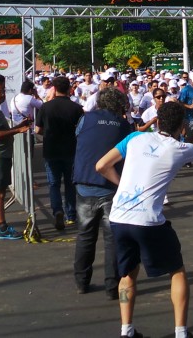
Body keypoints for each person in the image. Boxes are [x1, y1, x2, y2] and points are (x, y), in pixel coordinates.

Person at [96, 102, 193, 338]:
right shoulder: (180, 148)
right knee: (177, 271)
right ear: (182, 127)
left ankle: (126, 331)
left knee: (127, 275)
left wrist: (125, 187)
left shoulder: (134, 138)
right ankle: (181, 333)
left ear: (158, 121)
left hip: (119, 217)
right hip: (148, 221)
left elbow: (101, 165)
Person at [73, 87, 135, 299]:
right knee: (112, 239)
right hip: (111, 185)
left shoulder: (85, 119)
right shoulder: (124, 125)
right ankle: (112, 286)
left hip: (85, 182)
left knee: (85, 236)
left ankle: (81, 281)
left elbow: (78, 137)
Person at [0, 80, 32, 240]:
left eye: (3, 91)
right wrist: (17, 130)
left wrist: (18, 126)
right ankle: (2, 227)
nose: (2, 94)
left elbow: (0, 131)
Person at [36, 76, 85, 231]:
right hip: (71, 149)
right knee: (70, 184)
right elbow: (82, 129)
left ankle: (57, 210)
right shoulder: (76, 108)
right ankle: (71, 215)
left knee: (54, 184)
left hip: (51, 149)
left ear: (54, 89)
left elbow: (37, 129)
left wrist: (47, 133)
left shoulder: (45, 107)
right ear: (69, 88)